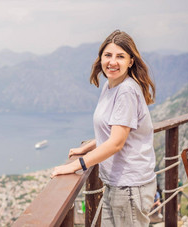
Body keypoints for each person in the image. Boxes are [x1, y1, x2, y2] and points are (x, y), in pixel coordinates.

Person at [50, 30, 157, 227]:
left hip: (130, 187)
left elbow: (116, 143)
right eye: (108, 55)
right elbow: (114, 131)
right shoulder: (110, 85)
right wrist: (90, 145)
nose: (112, 62)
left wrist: (75, 165)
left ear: (131, 61)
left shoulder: (125, 91)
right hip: (118, 184)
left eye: (120, 56)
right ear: (100, 58)